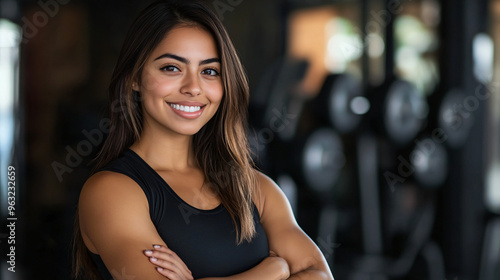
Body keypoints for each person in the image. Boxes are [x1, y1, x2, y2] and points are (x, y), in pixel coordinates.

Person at [73, 1, 334, 279]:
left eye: (209, 71)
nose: (193, 88)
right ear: (135, 77)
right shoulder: (111, 192)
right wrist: (273, 270)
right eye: (172, 68)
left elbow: (317, 273)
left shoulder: (256, 188)